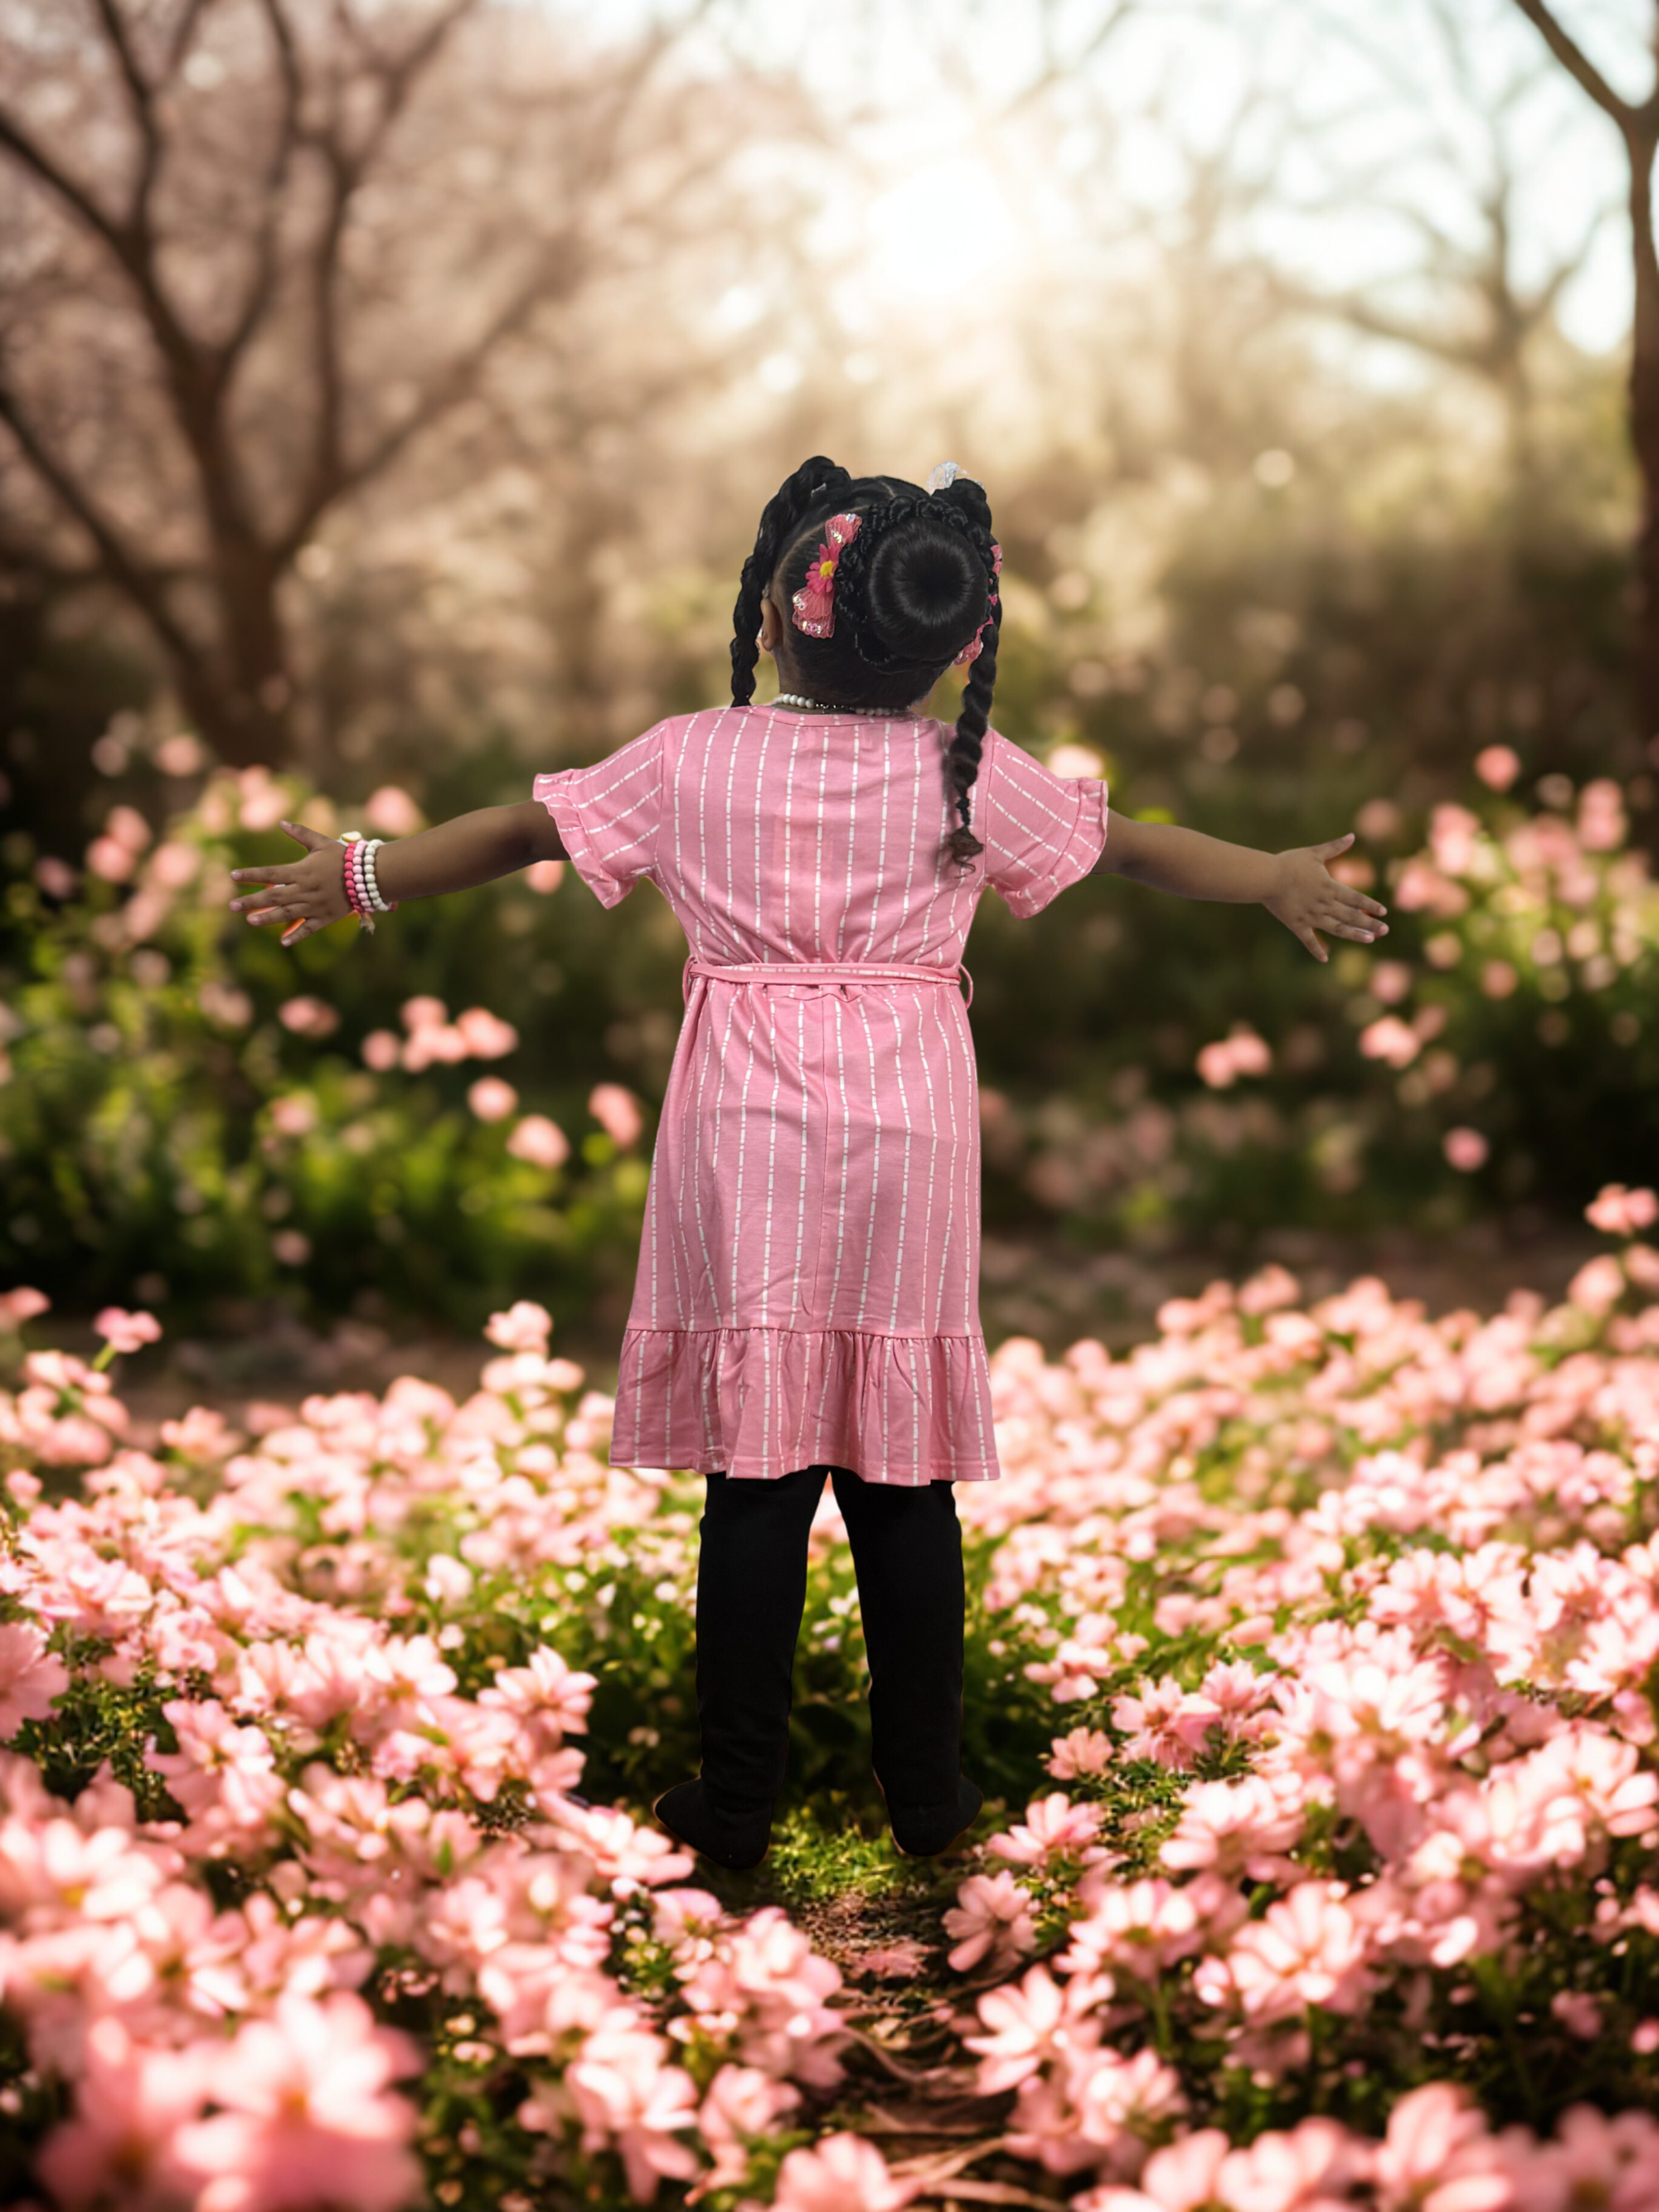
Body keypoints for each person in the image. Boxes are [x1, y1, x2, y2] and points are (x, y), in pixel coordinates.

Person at [226, 457, 1388, 1872]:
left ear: (777, 617)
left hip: (746, 1126)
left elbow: (530, 833)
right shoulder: (962, 770)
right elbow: (1131, 850)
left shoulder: (691, 757)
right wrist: (1269, 873)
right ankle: (930, 1806)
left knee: (757, 1479)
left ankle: (738, 1808)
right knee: (905, 1484)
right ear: (955, 644)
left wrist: (360, 875)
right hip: (909, 1135)